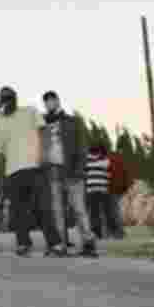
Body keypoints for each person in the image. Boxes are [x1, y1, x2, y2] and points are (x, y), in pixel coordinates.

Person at [0, 86, 64, 256]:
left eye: (9, 99)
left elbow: (44, 132)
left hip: (35, 167)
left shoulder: (30, 111)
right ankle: (23, 244)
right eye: (4, 101)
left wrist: (44, 156)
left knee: (43, 208)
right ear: (2, 103)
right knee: (18, 212)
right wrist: (2, 178)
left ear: (15, 99)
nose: (7, 103)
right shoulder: (1, 123)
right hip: (13, 172)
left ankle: (55, 244)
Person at [42, 91, 97, 257]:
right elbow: (41, 149)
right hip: (52, 170)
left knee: (78, 208)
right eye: (46, 102)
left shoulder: (71, 121)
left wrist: (80, 169)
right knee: (57, 210)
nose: (49, 104)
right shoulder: (42, 124)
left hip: (71, 170)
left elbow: (82, 147)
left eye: (52, 100)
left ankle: (88, 243)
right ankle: (61, 245)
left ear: (58, 101)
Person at [84, 145, 111, 239]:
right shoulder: (105, 160)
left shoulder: (88, 161)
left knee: (94, 213)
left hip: (92, 190)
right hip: (102, 189)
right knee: (103, 212)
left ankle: (97, 232)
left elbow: (87, 168)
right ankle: (102, 232)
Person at [105, 149, 131, 239]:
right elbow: (126, 174)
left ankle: (118, 232)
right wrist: (126, 188)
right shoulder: (120, 158)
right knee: (114, 209)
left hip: (112, 188)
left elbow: (107, 174)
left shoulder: (108, 159)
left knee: (113, 210)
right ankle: (115, 231)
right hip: (118, 188)